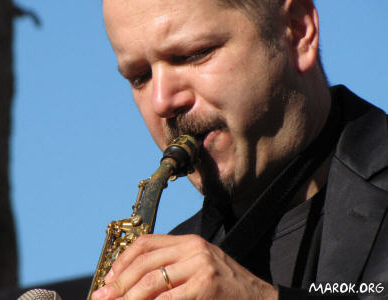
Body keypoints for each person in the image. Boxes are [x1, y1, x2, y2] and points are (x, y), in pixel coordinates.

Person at [86, 0, 388, 299]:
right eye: (140, 77)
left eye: (194, 54)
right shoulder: (172, 268)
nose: (161, 102)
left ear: (298, 30)